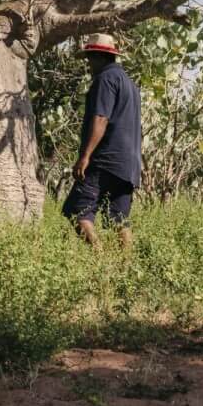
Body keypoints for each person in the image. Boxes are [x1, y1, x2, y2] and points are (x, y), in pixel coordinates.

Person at [63, 33, 141, 248]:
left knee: (77, 210)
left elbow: (101, 117)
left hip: (105, 160)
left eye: (89, 58)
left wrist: (85, 156)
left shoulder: (105, 79)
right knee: (118, 218)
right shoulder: (129, 84)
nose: (88, 64)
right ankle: (126, 269)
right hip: (129, 165)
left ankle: (99, 258)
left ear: (98, 56)